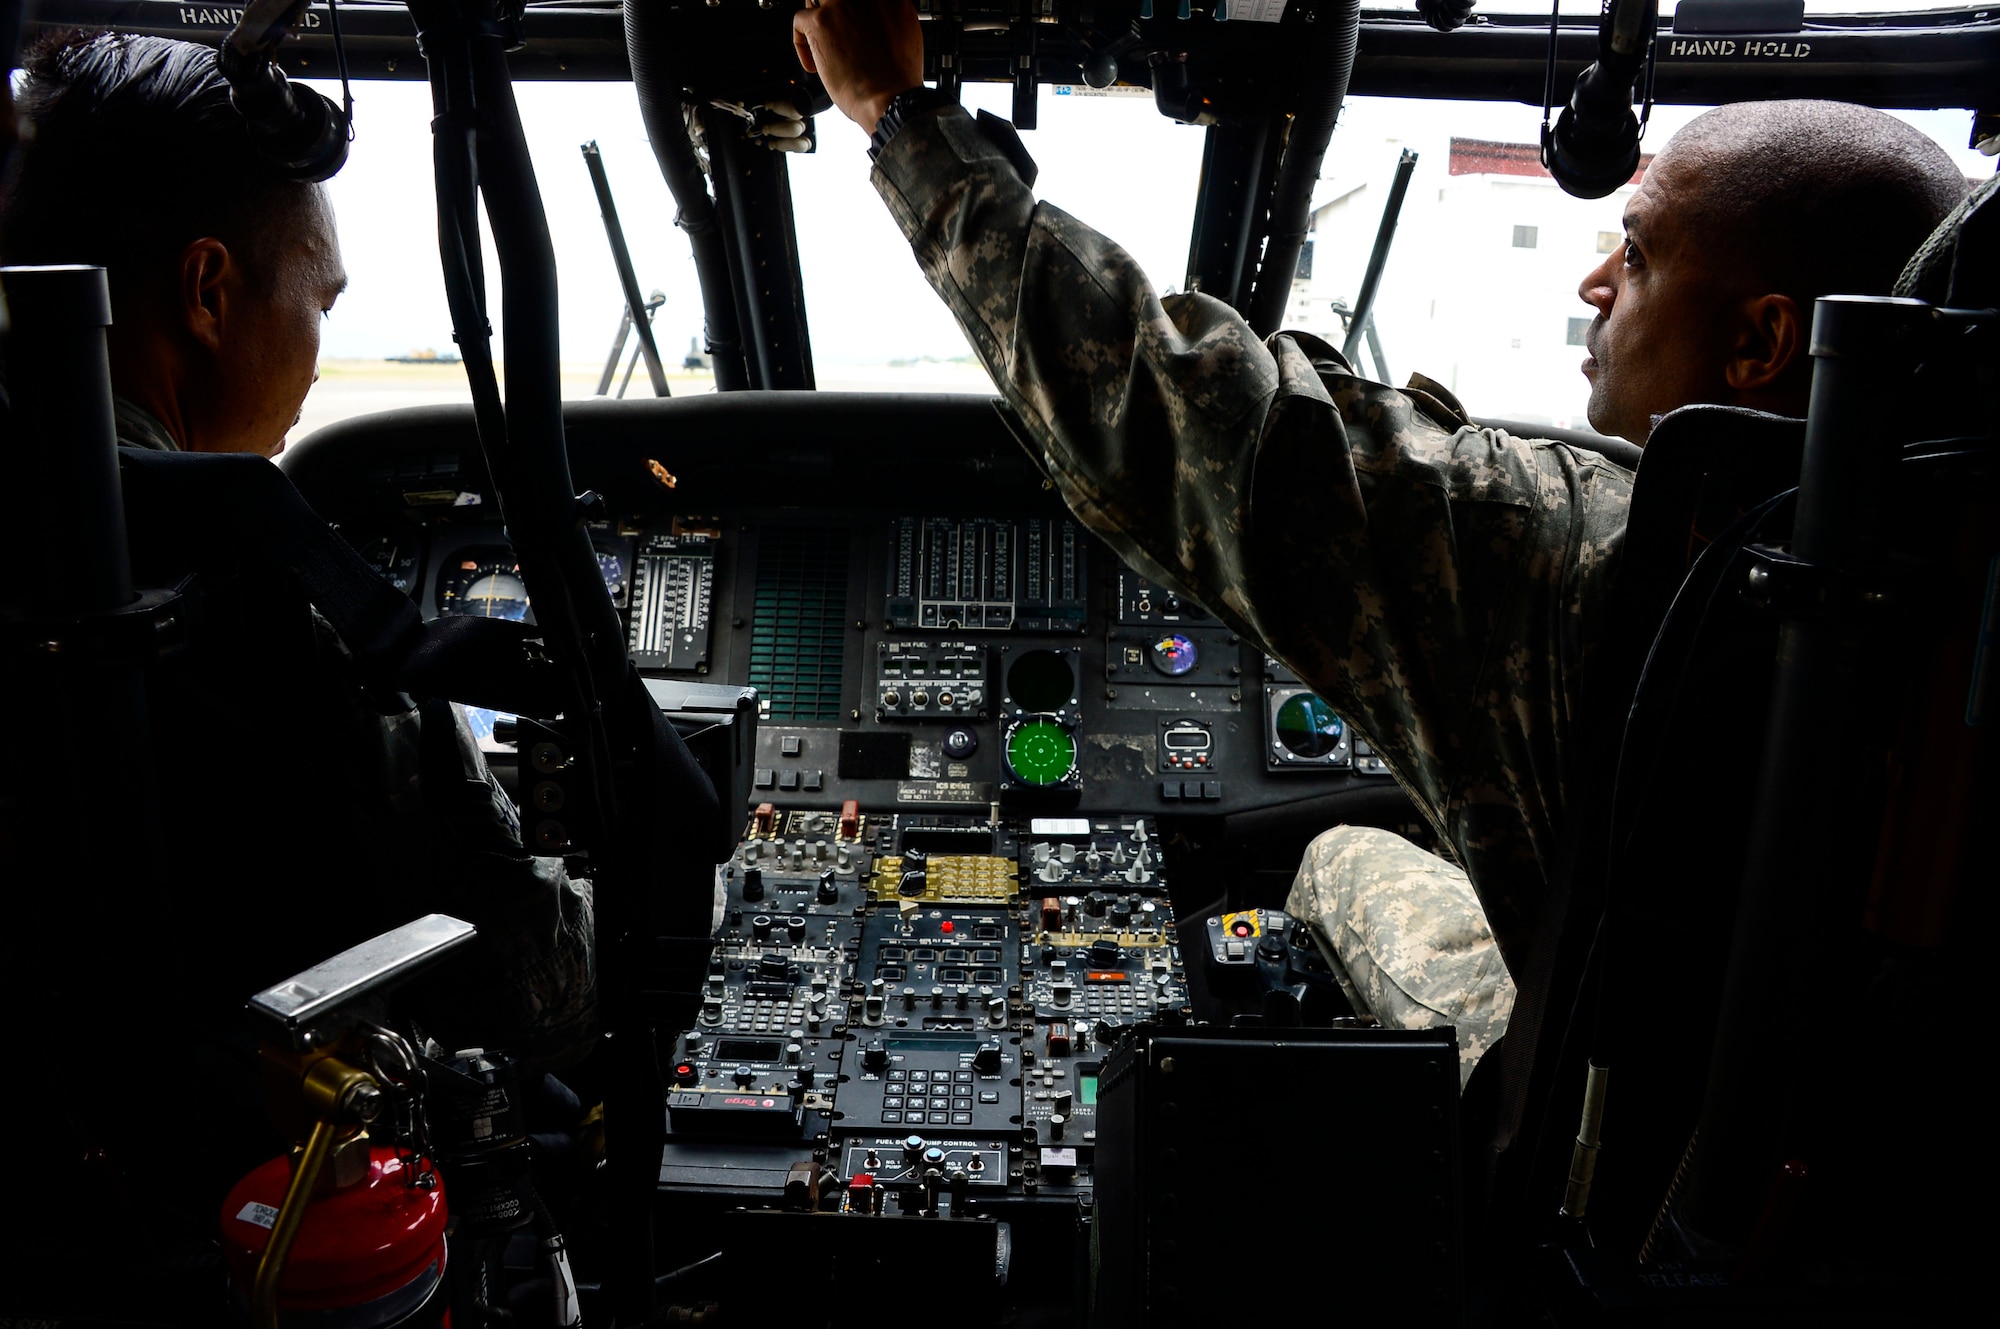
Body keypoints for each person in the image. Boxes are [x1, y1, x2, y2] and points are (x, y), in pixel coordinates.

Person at [791, 0, 1970, 1078]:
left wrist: (896, 115)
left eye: (1643, 254)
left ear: (1762, 345)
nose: (1594, 276)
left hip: (1613, 1153)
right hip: (1822, 1179)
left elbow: (1174, 411)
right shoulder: (1958, 585)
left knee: (1338, 854)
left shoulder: (1597, 559)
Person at [0, 31, 596, 1298]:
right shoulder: (256, 588)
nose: (322, 343)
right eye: (317, 298)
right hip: (215, 1225)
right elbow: (529, 981)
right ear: (207, 292)